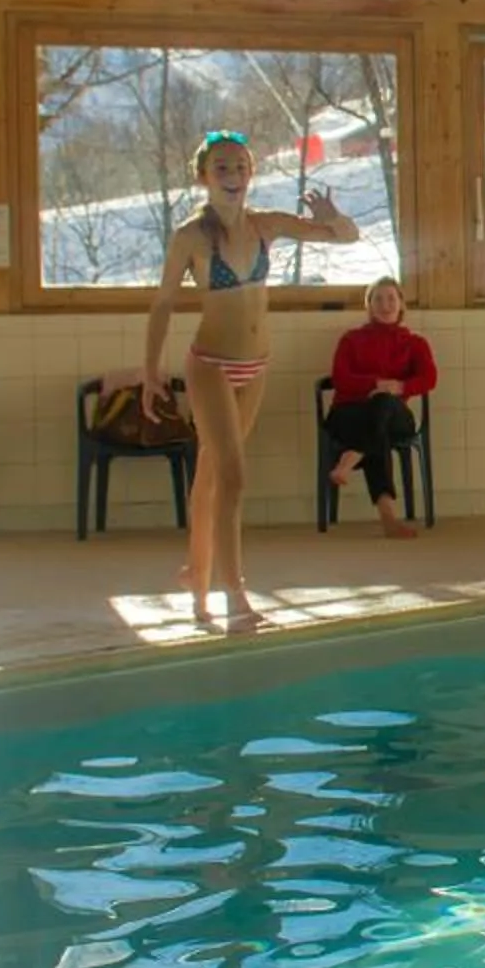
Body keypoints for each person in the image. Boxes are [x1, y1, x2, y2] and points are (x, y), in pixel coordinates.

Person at [142, 131, 359, 631]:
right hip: (211, 364)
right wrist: (151, 372)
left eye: (240, 167)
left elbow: (347, 237)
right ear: (203, 175)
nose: (233, 176)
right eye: (222, 167)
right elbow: (163, 304)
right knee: (233, 475)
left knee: (211, 474)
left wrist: (330, 216)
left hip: (256, 364)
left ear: (251, 173)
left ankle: (196, 576)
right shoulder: (191, 237)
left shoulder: (267, 226)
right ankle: (233, 593)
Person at [326, 276, 437, 538]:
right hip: (349, 415)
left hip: (394, 414)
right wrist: (374, 384)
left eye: (391, 298)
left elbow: (429, 378)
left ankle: (351, 457)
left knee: (384, 404)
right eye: (378, 299)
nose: (385, 304)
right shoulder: (351, 339)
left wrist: (397, 388)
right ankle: (388, 517)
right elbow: (340, 378)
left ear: (401, 305)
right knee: (376, 432)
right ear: (369, 305)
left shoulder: (415, 343)